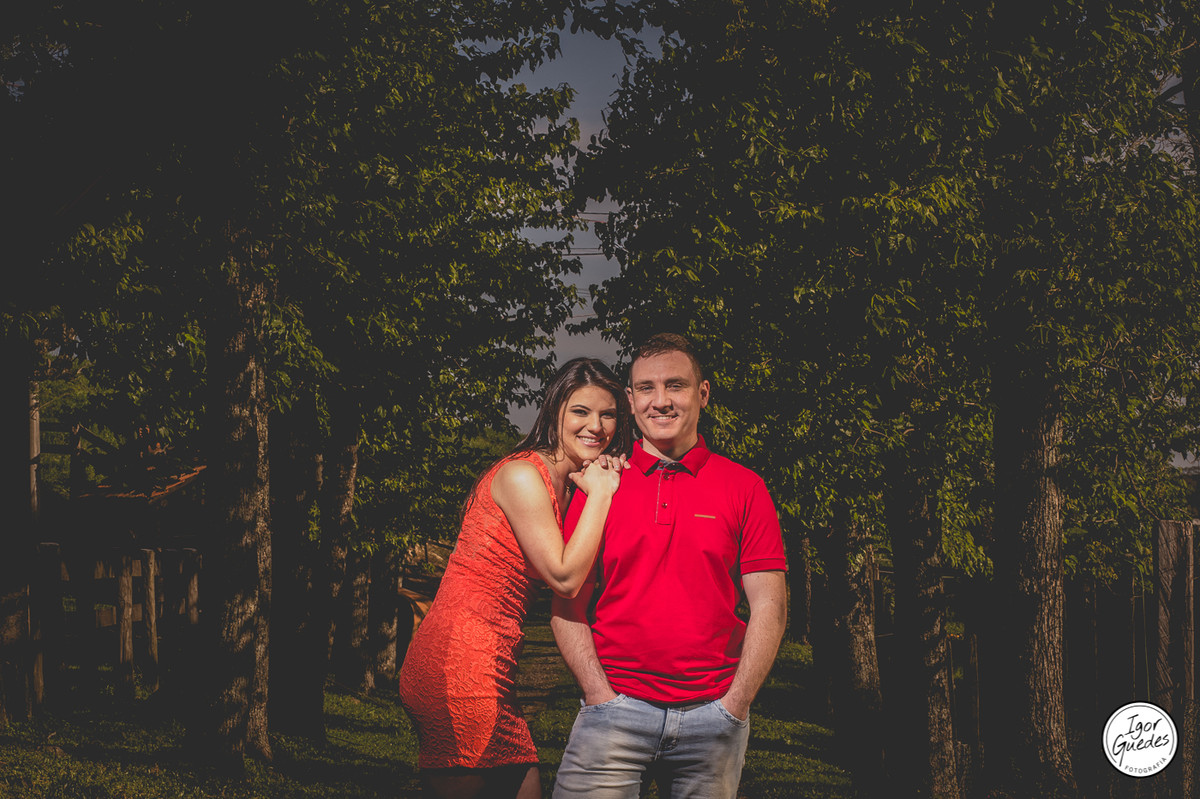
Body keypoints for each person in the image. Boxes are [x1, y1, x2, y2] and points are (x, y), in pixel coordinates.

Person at [550, 333, 788, 799]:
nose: (660, 401)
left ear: (703, 393)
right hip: (614, 713)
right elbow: (567, 603)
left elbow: (770, 608)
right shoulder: (601, 485)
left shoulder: (745, 487)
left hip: (712, 718)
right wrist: (597, 694)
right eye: (646, 388)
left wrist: (735, 705)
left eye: (675, 385)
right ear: (631, 400)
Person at [398, 357, 634, 799]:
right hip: (458, 662)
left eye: (608, 414)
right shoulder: (523, 475)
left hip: (492, 666)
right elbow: (564, 577)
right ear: (555, 411)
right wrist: (603, 493)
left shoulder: (569, 484)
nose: (596, 426)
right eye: (580, 411)